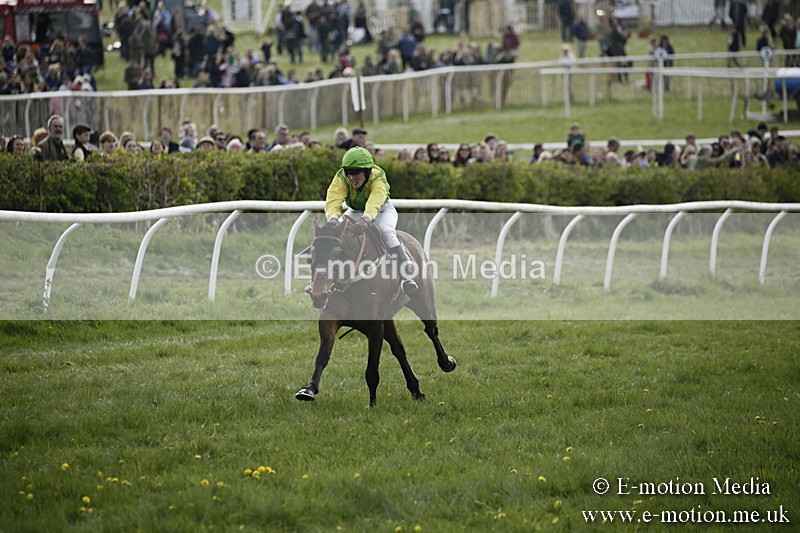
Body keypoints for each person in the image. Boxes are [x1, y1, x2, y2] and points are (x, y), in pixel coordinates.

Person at [323, 146, 418, 294]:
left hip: (382, 211)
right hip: (356, 210)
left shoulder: (377, 176)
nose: (352, 177)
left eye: (356, 173)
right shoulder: (341, 176)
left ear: (367, 171)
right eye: (349, 172)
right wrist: (333, 219)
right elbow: (333, 199)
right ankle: (322, 279)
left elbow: (375, 201)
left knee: (386, 232)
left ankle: (406, 275)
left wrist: (366, 218)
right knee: (334, 231)